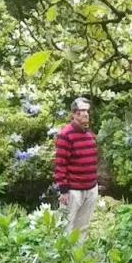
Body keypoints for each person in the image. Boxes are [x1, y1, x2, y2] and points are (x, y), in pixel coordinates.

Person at [53, 98, 99, 236]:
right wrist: (64, 190)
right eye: (82, 111)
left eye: (87, 111)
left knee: (83, 227)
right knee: (65, 225)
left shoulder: (89, 134)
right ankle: (62, 255)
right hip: (73, 190)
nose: (85, 114)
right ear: (74, 113)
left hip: (90, 188)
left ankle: (77, 255)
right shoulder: (66, 135)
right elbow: (60, 163)